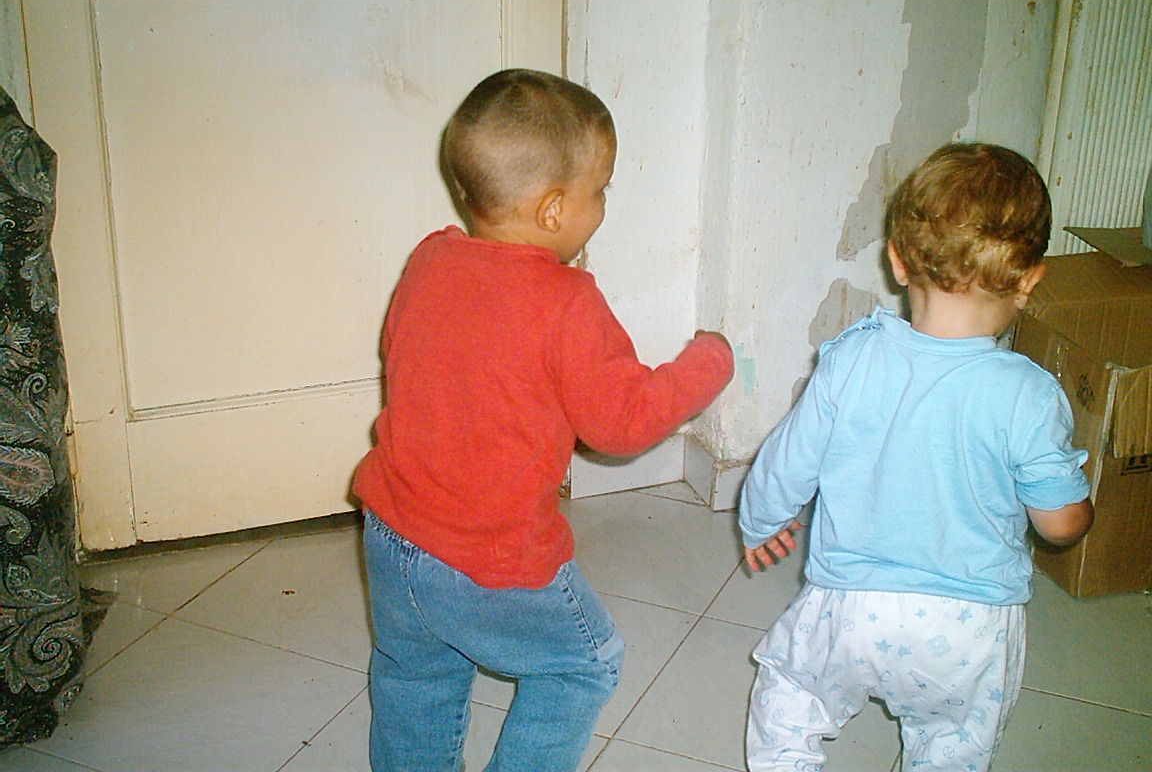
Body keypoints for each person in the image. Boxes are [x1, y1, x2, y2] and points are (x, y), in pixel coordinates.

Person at [353, 68, 734, 772]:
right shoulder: (567, 302)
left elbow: (408, 353)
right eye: (602, 190)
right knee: (584, 665)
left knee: (416, 679)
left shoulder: (430, 258)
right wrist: (707, 363)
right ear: (554, 210)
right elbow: (622, 423)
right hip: (488, 558)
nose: (604, 204)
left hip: (392, 534)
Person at [738, 142, 1094, 772]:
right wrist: (1078, 510)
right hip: (968, 628)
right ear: (1031, 280)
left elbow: (786, 462)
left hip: (851, 606)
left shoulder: (853, 357)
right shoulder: (1030, 395)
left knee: (792, 693)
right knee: (953, 743)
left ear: (898, 261)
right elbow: (1059, 523)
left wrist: (761, 522)